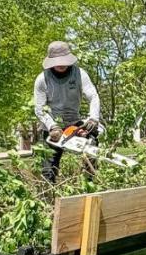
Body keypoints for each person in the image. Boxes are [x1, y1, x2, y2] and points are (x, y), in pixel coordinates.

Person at [33, 41, 100, 184]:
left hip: (74, 123)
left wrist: (93, 118)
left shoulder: (80, 74)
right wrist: (52, 126)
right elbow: (39, 108)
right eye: (57, 61)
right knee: (48, 169)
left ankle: (89, 185)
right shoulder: (42, 79)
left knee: (91, 146)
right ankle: (48, 200)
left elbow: (93, 96)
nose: (61, 64)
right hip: (51, 127)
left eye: (64, 60)